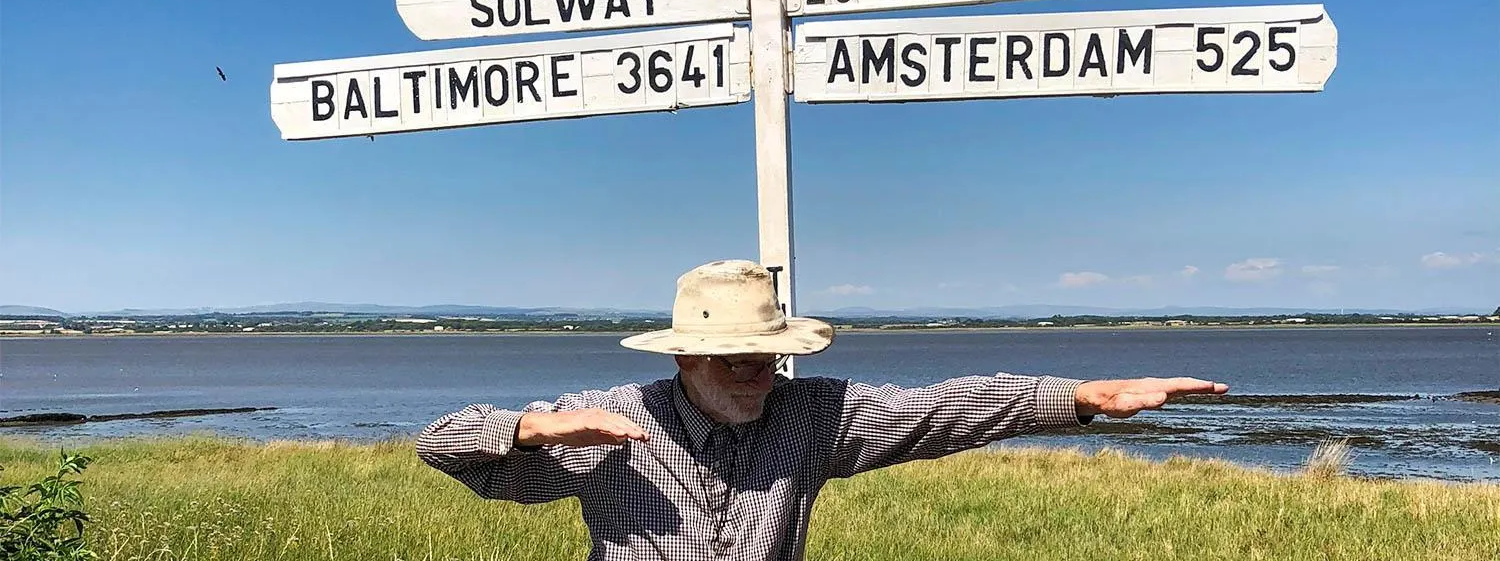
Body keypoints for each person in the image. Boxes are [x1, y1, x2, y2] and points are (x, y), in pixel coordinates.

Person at [417, 260, 1228, 561]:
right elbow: (438, 445)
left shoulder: (811, 418)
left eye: (768, 355)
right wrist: (525, 429)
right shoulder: (606, 421)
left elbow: (939, 410)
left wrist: (1077, 398)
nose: (757, 373)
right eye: (734, 357)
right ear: (683, 357)